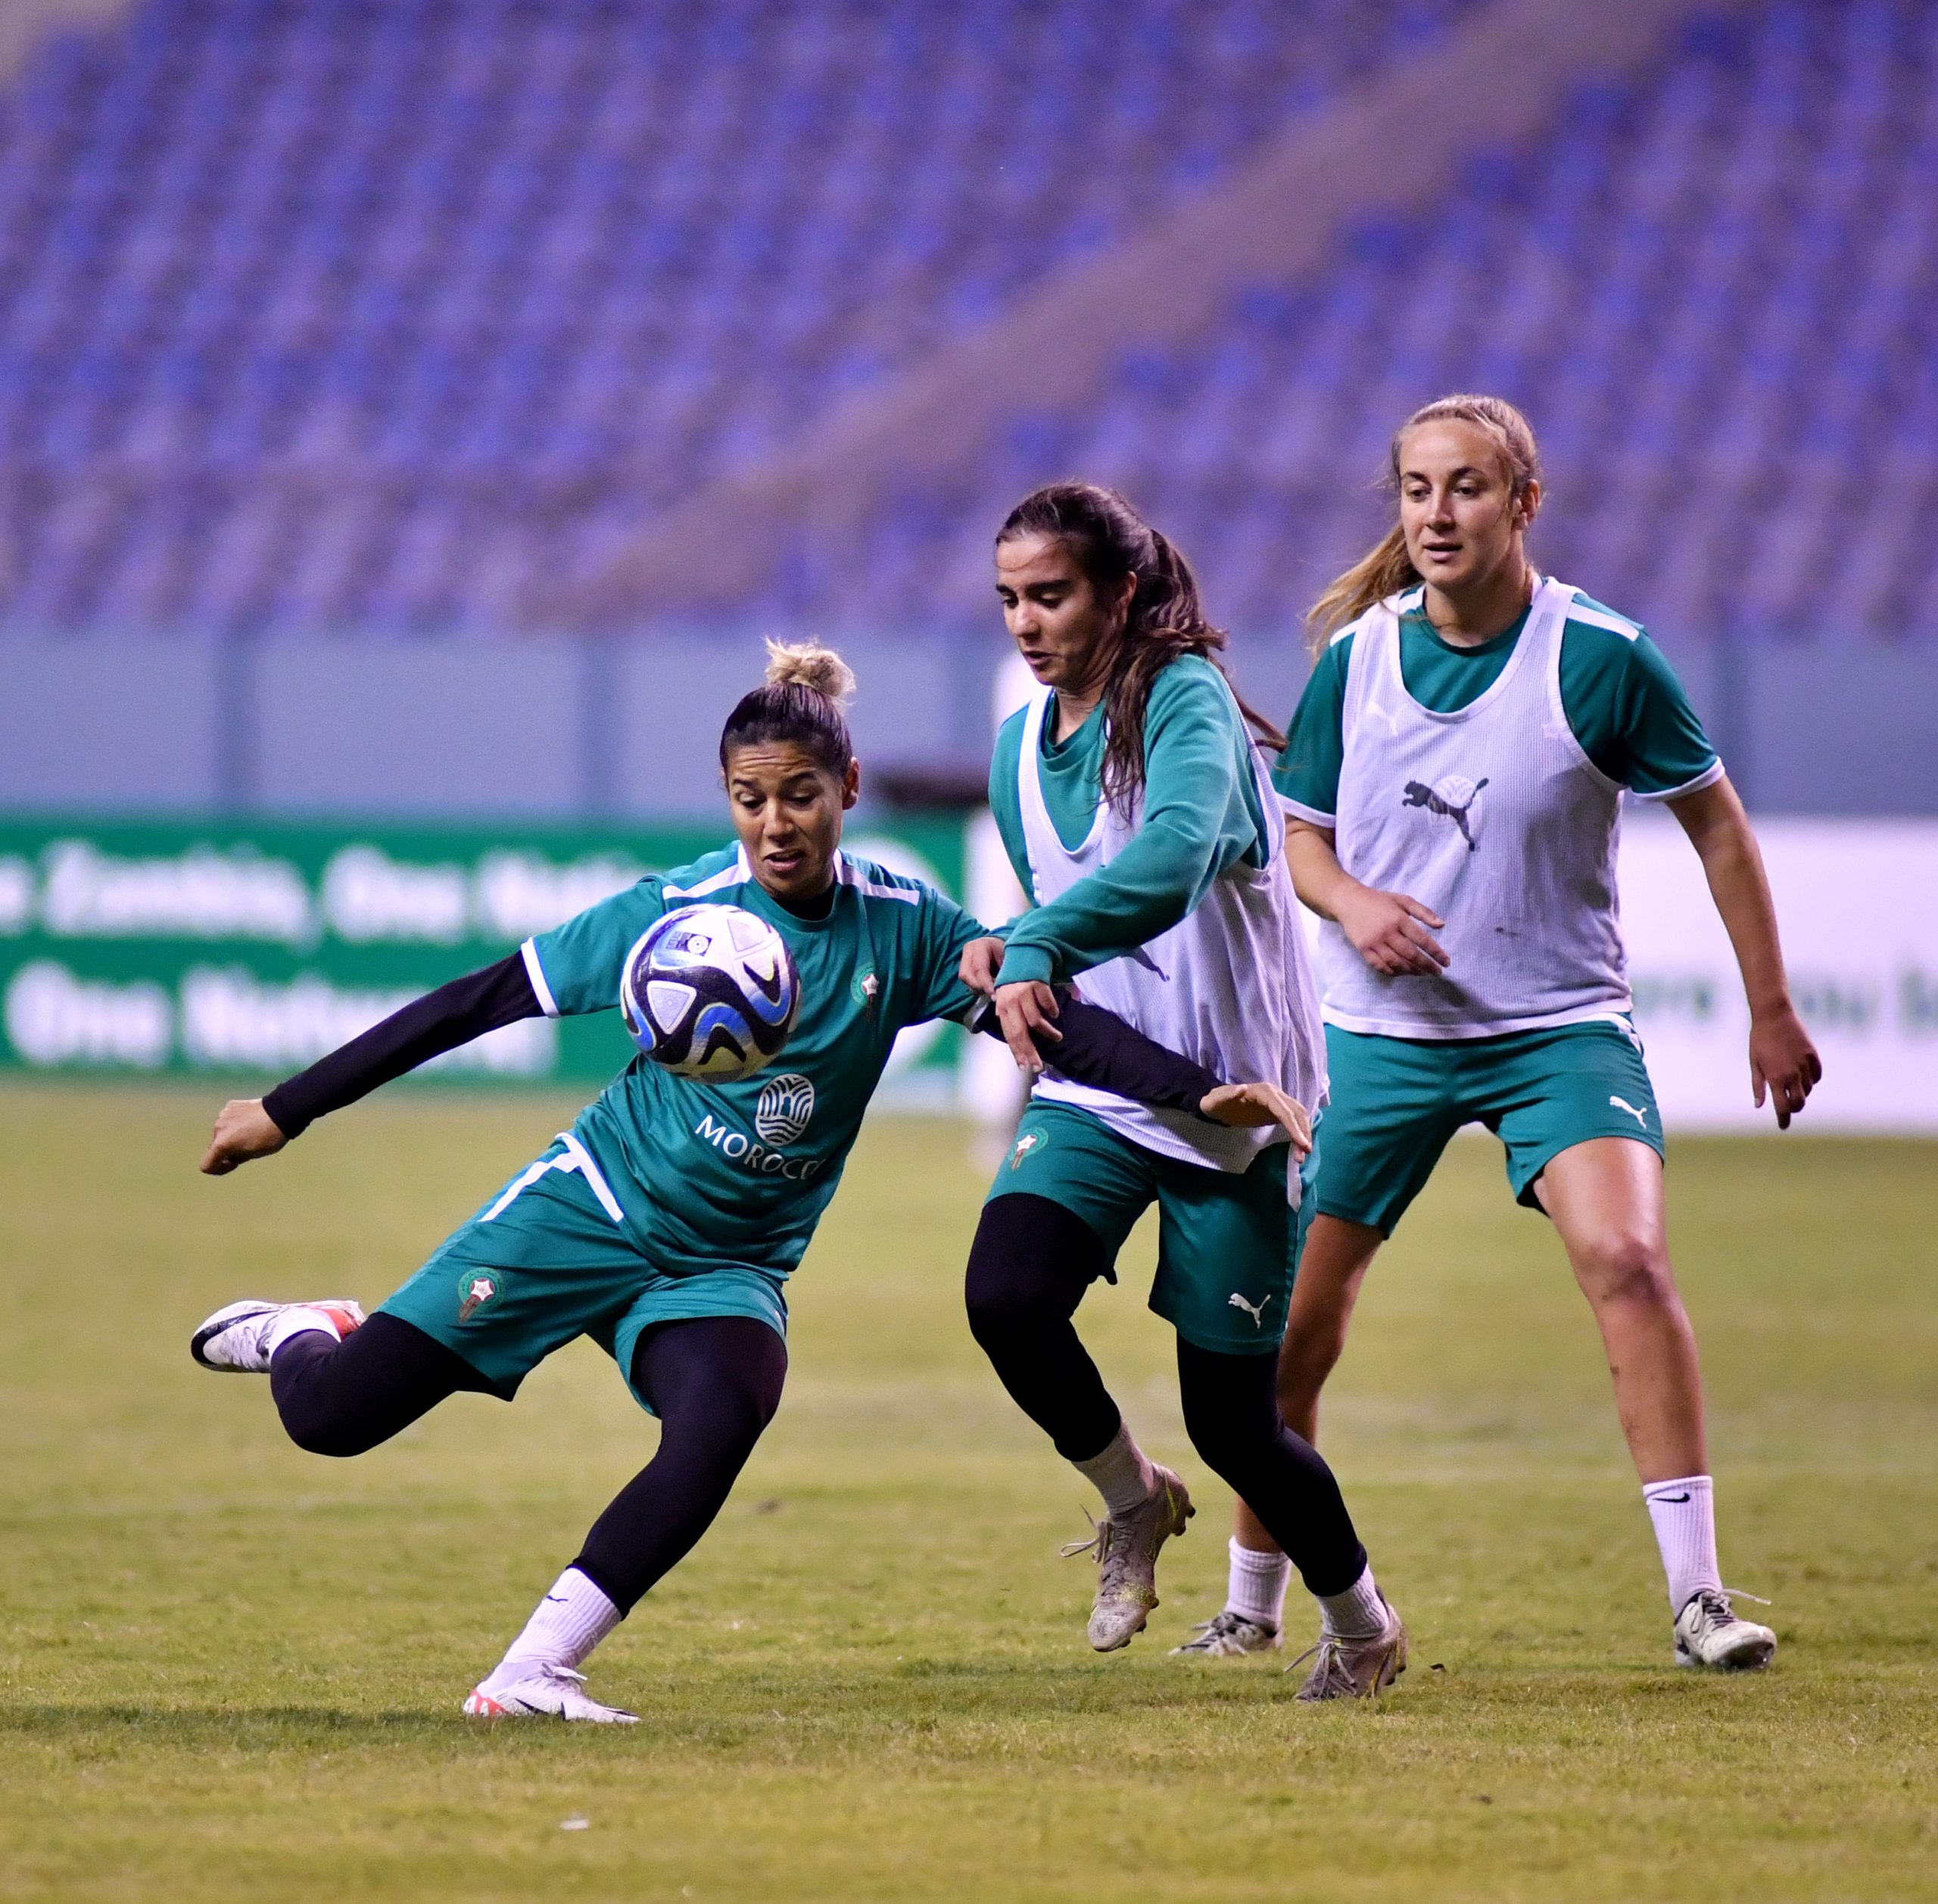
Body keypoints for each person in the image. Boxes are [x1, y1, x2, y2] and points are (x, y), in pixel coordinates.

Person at [191, 643, 1311, 1724]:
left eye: (801, 796)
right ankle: (308, 1332)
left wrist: (1195, 1091)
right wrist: (286, 1110)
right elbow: (484, 1000)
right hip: (595, 1205)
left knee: (724, 1412)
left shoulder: (906, 927)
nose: (776, 824)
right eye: (749, 798)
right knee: (335, 1421)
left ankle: (534, 1673)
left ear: (849, 789)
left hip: (725, 1267)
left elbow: (1050, 1024)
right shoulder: (674, 916)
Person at [1183, 394, 1821, 1672]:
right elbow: (1300, 837)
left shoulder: (1601, 658)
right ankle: (1251, 1605)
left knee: (1628, 1261)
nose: (1436, 513)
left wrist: (1769, 1006)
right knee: (1290, 1334)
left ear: (1524, 504)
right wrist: (1356, 904)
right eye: (1417, 490)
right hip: (1376, 1038)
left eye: (1466, 488)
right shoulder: (1356, 663)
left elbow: (1718, 824)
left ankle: (1700, 1601)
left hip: (1556, 1031)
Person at [961, 481, 1407, 1701]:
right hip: (1110, 1092)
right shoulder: (1017, 748)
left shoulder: (1187, 701)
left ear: (1119, 591)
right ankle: (1132, 1500)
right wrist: (1014, 942)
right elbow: (1070, 896)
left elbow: (1167, 863)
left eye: (1049, 595)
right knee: (1005, 1295)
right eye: (1008, 599)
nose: (1026, 622)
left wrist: (1040, 937)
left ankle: (1363, 1624)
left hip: (1241, 1110)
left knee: (1237, 1425)